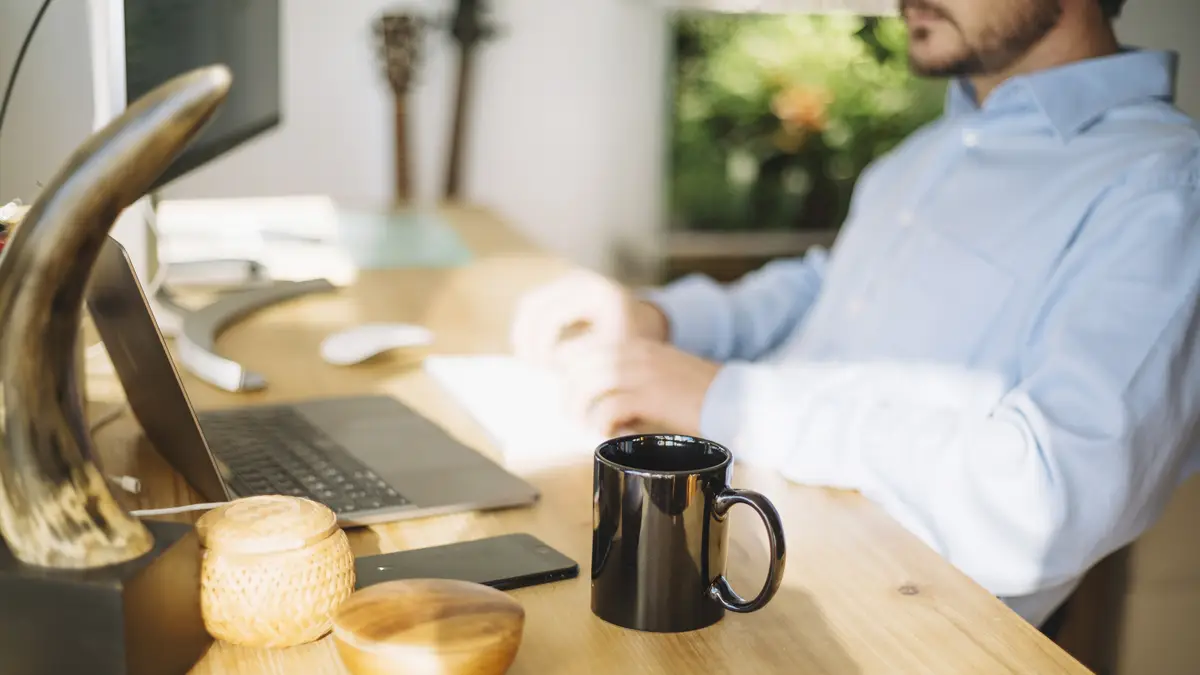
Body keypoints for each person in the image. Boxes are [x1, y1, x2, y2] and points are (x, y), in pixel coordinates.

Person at [509, 0, 1200, 632]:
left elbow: (1047, 499)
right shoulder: (934, 149)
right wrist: (658, 319)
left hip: (854, 624)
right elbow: (827, 287)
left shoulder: (1165, 188)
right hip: (732, 537)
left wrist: (726, 399)